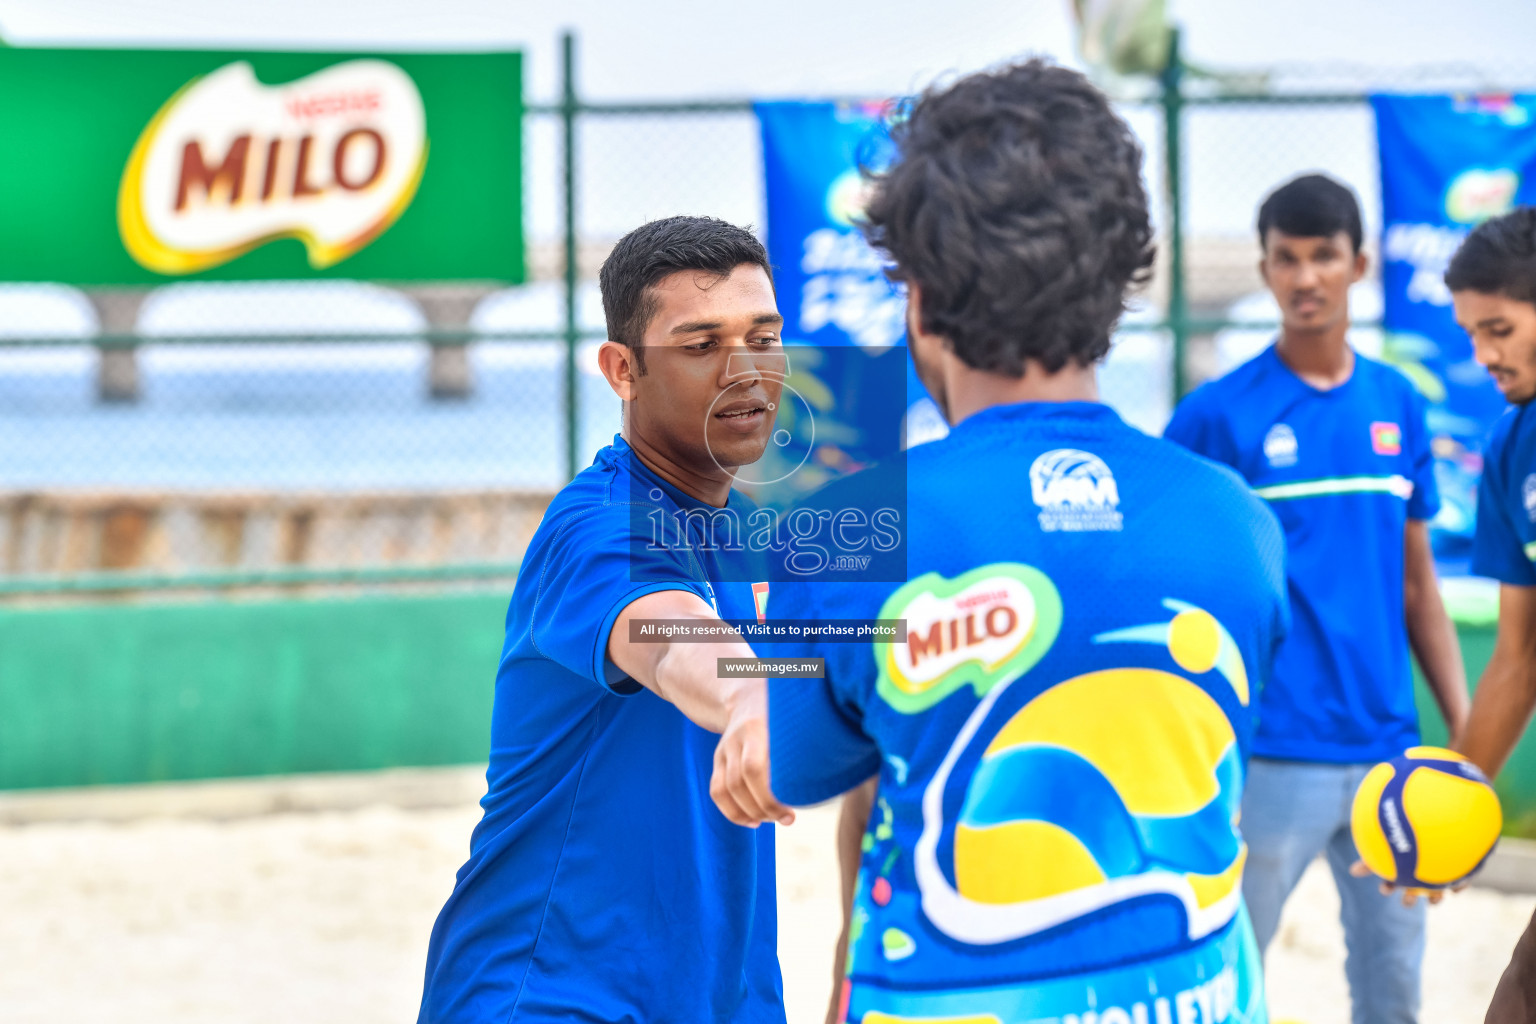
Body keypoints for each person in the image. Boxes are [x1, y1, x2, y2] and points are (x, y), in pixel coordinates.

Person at [713, 60, 1290, 1021]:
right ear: (1117, 282)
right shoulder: (1239, 520)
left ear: (923, 298)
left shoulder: (849, 530)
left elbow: (794, 767)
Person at [417, 215, 794, 1023]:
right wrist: (749, 695)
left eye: (763, 337)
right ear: (622, 370)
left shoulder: (742, 526)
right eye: (700, 346)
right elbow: (668, 635)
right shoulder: (599, 528)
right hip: (551, 994)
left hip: (717, 992)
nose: (745, 373)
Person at [1162, 173, 1469, 1024]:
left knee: (1394, 988)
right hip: (1269, 756)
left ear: (1359, 264)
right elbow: (1176, 581)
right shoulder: (1217, 417)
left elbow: (1420, 588)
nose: (1306, 279)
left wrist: (1463, 737)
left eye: (1323, 257)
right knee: (1230, 983)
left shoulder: (1398, 405)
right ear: (1264, 271)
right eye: (1286, 259)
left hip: (1392, 759)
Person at [1435, 206, 1536, 1021]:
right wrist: (1448, 805)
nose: (1483, 357)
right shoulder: (1511, 449)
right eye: (1471, 334)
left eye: (1498, 328)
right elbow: (1515, 656)